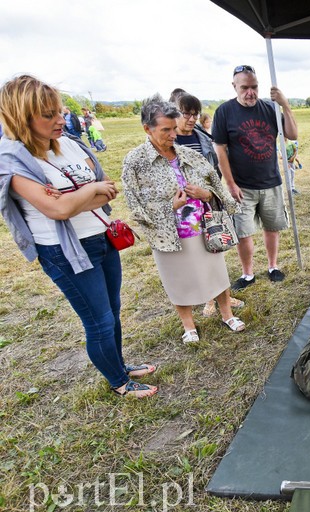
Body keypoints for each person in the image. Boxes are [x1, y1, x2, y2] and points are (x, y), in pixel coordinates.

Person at [0, 75, 157, 398]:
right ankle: (119, 383)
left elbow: (107, 188)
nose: (60, 119)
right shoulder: (13, 160)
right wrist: (86, 193)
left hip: (101, 238)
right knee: (98, 320)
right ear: (21, 117)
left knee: (112, 311)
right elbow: (57, 211)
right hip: (63, 251)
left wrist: (76, 197)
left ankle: (120, 365)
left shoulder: (70, 144)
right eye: (48, 115)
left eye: (59, 111)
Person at [121, 95, 244, 344]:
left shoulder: (188, 155)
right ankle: (188, 326)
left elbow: (214, 185)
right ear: (148, 128)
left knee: (216, 272)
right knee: (177, 279)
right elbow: (135, 206)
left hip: (202, 228)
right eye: (166, 130)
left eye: (174, 128)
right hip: (168, 234)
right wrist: (170, 207)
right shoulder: (135, 162)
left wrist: (206, 194)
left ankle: (227, 314)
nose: (173, 135)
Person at [212, 65, 298, 289]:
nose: (250, 92)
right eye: (245, 87)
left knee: (272, 227)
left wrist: (285, 104)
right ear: (234, 87)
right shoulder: (224, 112)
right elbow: (220, 149)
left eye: (254, 87)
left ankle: (273, 266)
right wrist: (230, 183)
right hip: (242, 185)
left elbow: (292, 133)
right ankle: (248, 273)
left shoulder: (269, 108)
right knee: (244, 232)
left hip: (271, 181)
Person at [173, 91, 243, 318]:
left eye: (195, 114)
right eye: (186, 113)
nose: (192, 119)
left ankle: (224, 295)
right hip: (182, 211)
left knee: (215, 249)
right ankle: (208, 299)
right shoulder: (166, 140)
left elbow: (214, 173)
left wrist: (209, 194)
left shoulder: (203, 138)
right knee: (194, 256)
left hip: (207, 204)